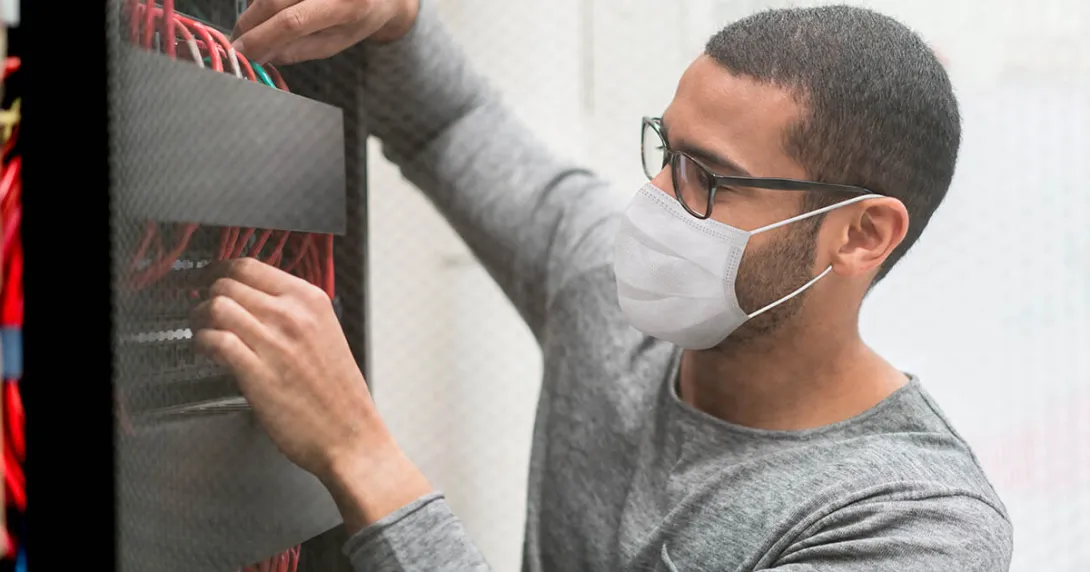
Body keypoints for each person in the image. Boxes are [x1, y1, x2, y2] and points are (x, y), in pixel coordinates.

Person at [191, 0, 1013, 569]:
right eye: (666, 150)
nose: (656, 201)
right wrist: (398, 18)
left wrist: (359, 456)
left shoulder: (916, 526)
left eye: (708, 178)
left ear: (861, 234)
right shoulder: (606, 287)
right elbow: (453, 126)